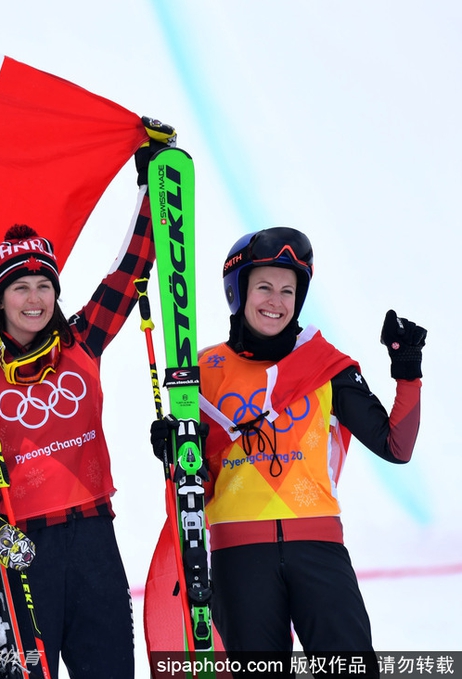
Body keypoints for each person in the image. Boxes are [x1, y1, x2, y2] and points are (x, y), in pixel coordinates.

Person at [0, 119, 177, 679]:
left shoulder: (81, 342)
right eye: (20, 287)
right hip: (20, 549)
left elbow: (131, 272)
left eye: (44, 285)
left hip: (95, 538)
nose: (35, 298)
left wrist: (152, 182)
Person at [154, 227, 425, 675]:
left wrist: (407, 369)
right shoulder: (200, 372)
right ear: (237, 291)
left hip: (317, 548)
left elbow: (396, 447)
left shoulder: (326, 365)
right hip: (238, 556)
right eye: (264, 287)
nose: (276, 302)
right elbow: (194, 481)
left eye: (288, 290)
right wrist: (170, 450)